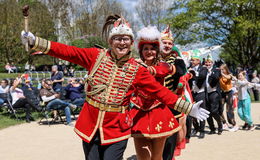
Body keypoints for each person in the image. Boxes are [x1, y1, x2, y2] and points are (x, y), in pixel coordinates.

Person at [21, 15, 209, 160]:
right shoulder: (96, 55)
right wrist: (35, 41)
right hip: (91, 124)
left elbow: (158, 91)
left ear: (130, 43)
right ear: (111, 41)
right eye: (118, 38)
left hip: (117, 127)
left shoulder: (137, 69)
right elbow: (67, 51)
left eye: (126, 39)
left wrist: (188, 107)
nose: (122, 42)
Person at [130, 26, 181, 160]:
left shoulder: (163, 65)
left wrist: (152, 70)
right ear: (141, 50)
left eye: (152, 48)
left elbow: (171, 70)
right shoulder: (134, 65)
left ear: (157, 50)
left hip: (159, 112)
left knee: (157, 157)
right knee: (143, 157)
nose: (149, 51)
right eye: (145, 48)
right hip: (139, 113)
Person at [160, 25, 188, 159]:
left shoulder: (177, 60)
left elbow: (182, 71)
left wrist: (167, 67)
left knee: (170, 139)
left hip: (172, 105)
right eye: (164, 43)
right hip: (155, 105)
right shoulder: (151, 57)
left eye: (169, 43)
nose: (167, 45)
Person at [188, 52, 208, 139]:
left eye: (193, 60)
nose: (191, 61)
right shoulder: (189, 68)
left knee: (202, 111)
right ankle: (195, 128)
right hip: (192, 93)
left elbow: (202, 76)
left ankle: (202, 130)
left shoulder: (203, 68)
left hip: (201, 92)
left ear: (198, 61)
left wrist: (193, 73)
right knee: (191, 111)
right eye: (191, 60)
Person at [204, 54, 223, 135]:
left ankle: (220, 125)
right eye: (206, 63)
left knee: (214, 111)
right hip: (205, 93)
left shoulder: (216, 70)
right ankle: (212, 128)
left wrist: (210, 72)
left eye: (209, 62)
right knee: (207, 112)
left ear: (212, 63)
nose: (208, 64)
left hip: (214, 93)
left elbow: (216, 77)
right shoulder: (203, 71)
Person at [219, 64, 238, 131]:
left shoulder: (229, 75)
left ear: (226, 69)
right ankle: (224, 123)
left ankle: (234, 124)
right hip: (222, 93)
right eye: (220, 69)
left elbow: (228, 77)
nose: (221, 70)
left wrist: (221, 73)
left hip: (229, 93)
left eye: (223, 69)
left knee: (229, 110)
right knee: (219, 109)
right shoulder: (219, 75)